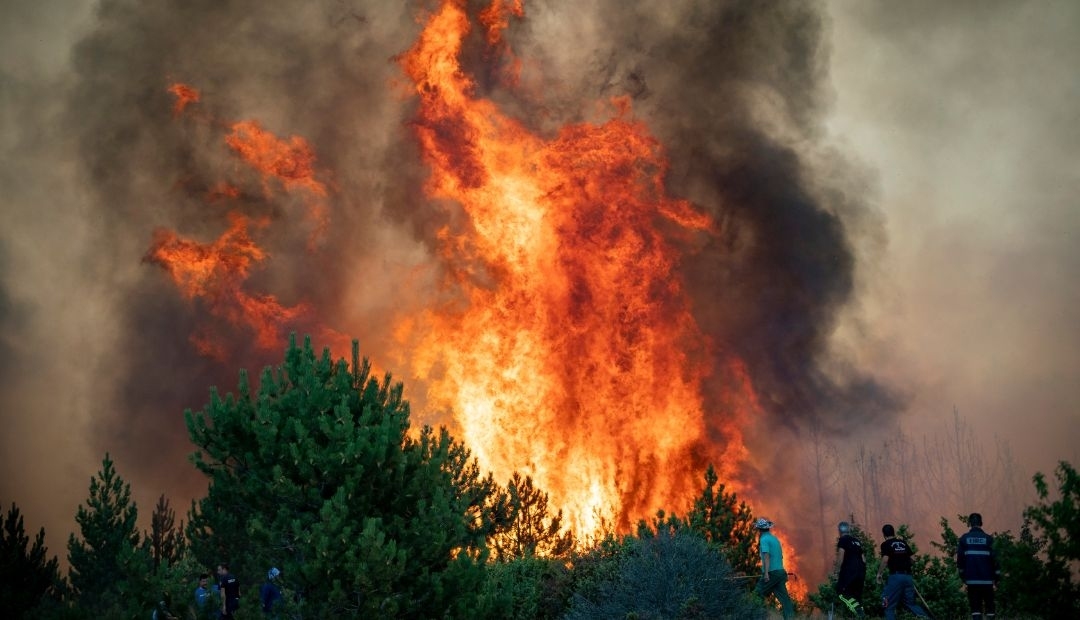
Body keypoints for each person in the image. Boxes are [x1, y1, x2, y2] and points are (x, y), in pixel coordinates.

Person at [875, 524, 929, 620]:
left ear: (884, 535)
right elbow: (913, 559)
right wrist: (905, 565)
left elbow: (885, 560)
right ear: (893, 532)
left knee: (888, 606)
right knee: (911, 604)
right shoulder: (903, 543)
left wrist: (879, 574)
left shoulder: (885, 544)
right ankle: (925, 618)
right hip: (907, 577)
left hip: (895, 577)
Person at [957, 512, 999, 620]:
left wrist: (963, 577)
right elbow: (996, 561)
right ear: (981, 523)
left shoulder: (964, 539)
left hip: (972, 581)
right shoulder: (989, 539)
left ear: (970, 524)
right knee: (990, 608)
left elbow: (960, 561)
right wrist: (997, 578)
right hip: (988, 581)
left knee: (975, 609)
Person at [753, 517, 794, 619]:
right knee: (785, 600)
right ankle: (789, 617)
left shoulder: (764, 539)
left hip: (772, 573)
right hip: (780, 572)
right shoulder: (775, 539)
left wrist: (766, 573)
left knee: (756, 594)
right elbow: (781, 556)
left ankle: (753, 616)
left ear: (760, 530)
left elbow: (766, 556)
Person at [832, 521, 866, 618]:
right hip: (861, 571)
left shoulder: (843, 540)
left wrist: (836, 572)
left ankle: (858, 611)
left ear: (839, 531)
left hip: (849, 571)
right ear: (849, 530)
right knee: (856, 596)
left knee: (841, 592)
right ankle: (861, 615)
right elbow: (864, 559)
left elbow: (840, 556)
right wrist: (862, 572)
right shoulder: (857, 541)